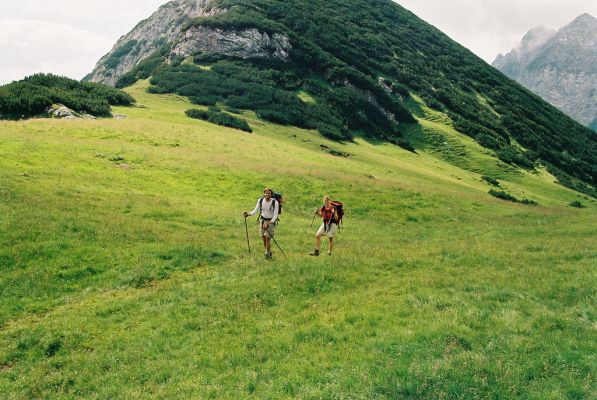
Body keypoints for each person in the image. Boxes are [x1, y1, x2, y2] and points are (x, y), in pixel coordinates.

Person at [243, 188, 279, 259]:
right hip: (262, 220)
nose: (267, 194)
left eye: (269, 193)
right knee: (263, 237)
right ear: (264, 194)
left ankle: (267, 255)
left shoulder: (275, 202)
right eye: (266, 193)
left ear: (271, 194)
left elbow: (275, 216)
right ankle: (267, 251)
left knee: (268, 238)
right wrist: (248, 214)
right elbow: (255, 211)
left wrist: (268, 224)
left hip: (270, 221)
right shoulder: (260, 200)